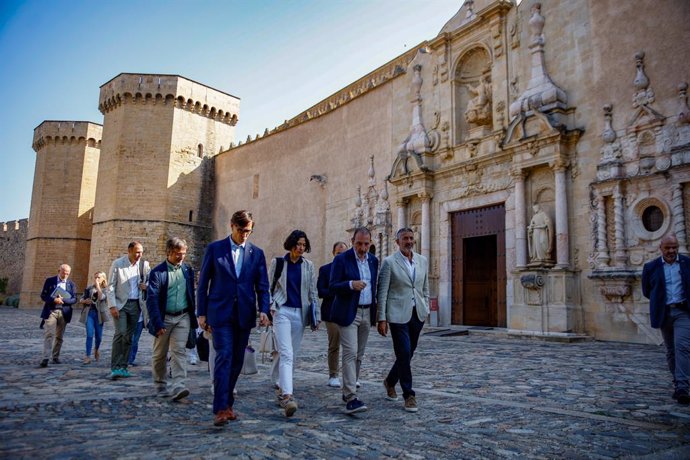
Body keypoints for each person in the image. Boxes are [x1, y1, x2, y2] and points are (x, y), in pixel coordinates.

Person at [197, 210, 270, 427]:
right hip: (219, 313)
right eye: (241, 230)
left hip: (245, 314)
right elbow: (203, 284)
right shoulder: (215, 249)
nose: (244, 235)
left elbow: (262, 286)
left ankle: (228, 404)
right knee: (224, 355)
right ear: (232, 226)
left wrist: (263, 309)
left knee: (237, 360)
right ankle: (220, 407)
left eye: (248, 231)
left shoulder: (256, 253)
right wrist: (201, 313)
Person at [376, 227, 429, 413]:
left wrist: (426, 306)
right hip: (397, 315)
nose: (408, 241)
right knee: (404, 352)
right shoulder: (389, 263)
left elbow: (424, 287)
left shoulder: (422, 261)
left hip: (417, 314)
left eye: (411, 238)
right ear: (397, 242)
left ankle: (390, 381)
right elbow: (382, 292)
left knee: (409, 352)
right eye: (404, 238)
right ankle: (409, 394)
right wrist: (381, 318)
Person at [269, 230, 320, 417]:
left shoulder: (308, 266)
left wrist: (316, 315)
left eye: (303, 245)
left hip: (300, 312)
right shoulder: (278, 263)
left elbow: (312, 292)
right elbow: (268, 286)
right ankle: (287, 396)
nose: (300, 248)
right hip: (282, 309)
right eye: (298, 244)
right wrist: (269, 307)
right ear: (291, 243)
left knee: (291, 353)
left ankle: (279, 383)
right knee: (287, 352)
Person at [329, 227, 378, 414]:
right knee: (350, 352)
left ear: (370, 243)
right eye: (359, 243)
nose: (363, 248)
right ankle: (351, 396)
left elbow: (374, 286)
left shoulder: (374, 260)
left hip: (367, 312)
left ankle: (348, 388)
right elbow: (332, 286)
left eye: (366, 244)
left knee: (359, 354)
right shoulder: (342, 259)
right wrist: (351, 285)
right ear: (352, 241)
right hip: (349, 312)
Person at [146, 237, 198, 401]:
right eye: (177, 254)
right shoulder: (157, 272)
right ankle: (160, 384)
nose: (181, 257)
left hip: (182, 317)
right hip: (164, 317)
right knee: (160, 354)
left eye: (183, 253)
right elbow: (152, 299)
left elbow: (190, 295)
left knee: (179, 351)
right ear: (169, 252)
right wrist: (157, 322)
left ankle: (179, 385)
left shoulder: (187, 271)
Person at [642, 234, 690, 404]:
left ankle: (683, 387)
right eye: (668, 248)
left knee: (683, 347)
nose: (671, 251)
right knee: (671, 350)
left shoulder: (687, 264)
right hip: (664, 313)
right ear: (660, 248)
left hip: (683, 311)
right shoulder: (651, 267)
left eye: (674, 247)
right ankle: (678, 382)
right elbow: (647, 290)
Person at [106, 241, 150, 380]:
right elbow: (111, 286)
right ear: (129, 251)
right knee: (120, 333)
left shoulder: (144, 265)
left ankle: (124, 366)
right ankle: (115, 367)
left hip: (136, 304)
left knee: (129, 337)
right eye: (137, 252)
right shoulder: (118, 264)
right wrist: (112, 305)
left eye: (141, 252)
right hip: (121, 304)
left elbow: (150, 281)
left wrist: (146, 286)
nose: (139, 255)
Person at [317, 241, 348, 387]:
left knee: (351, 347)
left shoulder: (350, 270)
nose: (341, 256)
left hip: (348, 311)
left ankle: (351, 376)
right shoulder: (325, 269)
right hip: (331, 312)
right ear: (333, 254)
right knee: (334, 344)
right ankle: (333, 374)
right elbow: (320, 291)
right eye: (338, 253)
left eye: (344, 253)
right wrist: (338, 289)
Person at [39, 264, 77, 367]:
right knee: (49, 334)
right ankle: (45, 358)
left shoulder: (71, 284)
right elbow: (43, 295)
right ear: (58, 271)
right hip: (51, 311)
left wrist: (63, 300)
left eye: (67, 273)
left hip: (64, 312)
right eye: (64, 273)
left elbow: (74, 299)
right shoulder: (50, 281)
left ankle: (55, 357)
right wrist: (54, 299)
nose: (65, 275)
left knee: (59, 337)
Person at [78, 271, 109, 364]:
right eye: (95, 277)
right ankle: (87, 356)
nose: (96, 279)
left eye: (99, 277)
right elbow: (81, 299)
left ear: (103, 279)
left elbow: (101, 297)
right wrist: (84, 301)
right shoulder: (89, 288)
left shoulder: (106, 290)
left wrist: (98, 286)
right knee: (90, 334)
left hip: (99, 314)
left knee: (99, 336)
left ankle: (96, 348)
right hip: (89, 313)